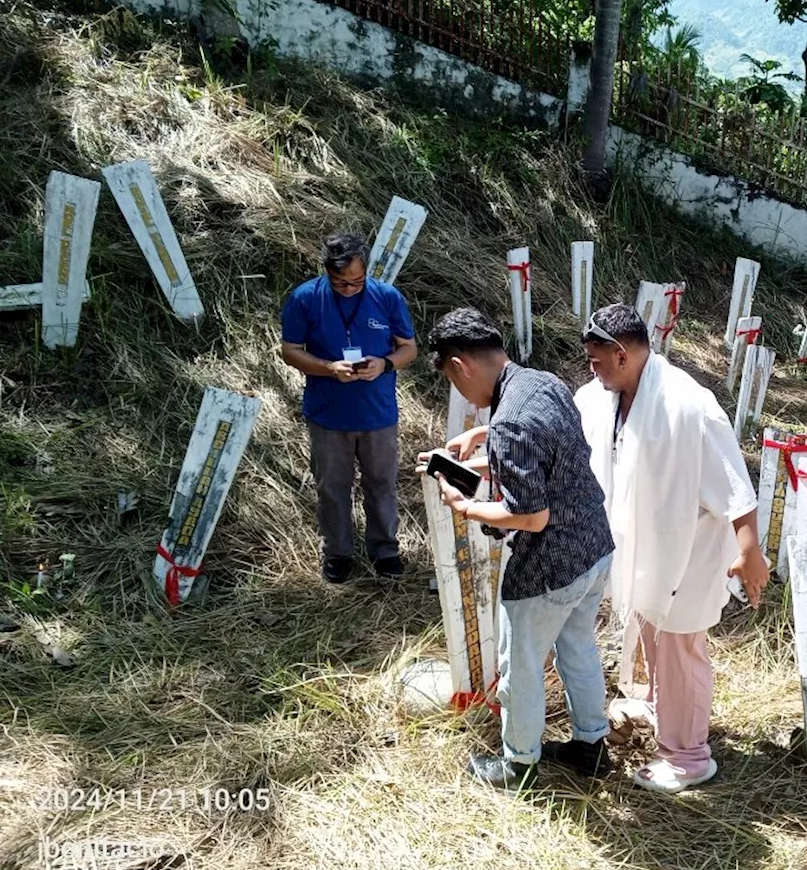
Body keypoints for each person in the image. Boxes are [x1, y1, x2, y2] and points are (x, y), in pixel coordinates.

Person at [575, 302, 770, 793]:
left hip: (688, 552)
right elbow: (563, 428)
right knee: (649, 632)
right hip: (642, 547)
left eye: (597, 360)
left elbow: (733, 485)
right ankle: (667, 716)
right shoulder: (605, 396)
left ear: (622, 354)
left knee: (681, 648)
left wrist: (750, 551)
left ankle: (688, 757)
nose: (590, 370)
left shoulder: (689, 406)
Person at [422, 307, 616, 791]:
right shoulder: (542, 381)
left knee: (522, 665)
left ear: (460, 366)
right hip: (593, 546)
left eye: (452, 379)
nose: (460, 390)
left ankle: (518, 763)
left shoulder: (510, 422)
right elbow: (540, 451)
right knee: (578, 648)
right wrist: (481, 438)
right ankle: (592, 746)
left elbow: (530, 516)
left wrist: (463, 504)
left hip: (549, 568)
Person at [280, 232, 417, 584]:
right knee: (332, 487)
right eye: (340, 283)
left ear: (366, 272)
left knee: (382, 484)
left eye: (356, 282)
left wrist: (384, 364)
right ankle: (338, 553)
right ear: (326, 272)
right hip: (328, 414)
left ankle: (385, 551)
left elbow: (409, 348)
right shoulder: (304, 299)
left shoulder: (387, 297)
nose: (349, 289)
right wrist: (328, 368)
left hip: (378, 413)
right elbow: (290, 350)